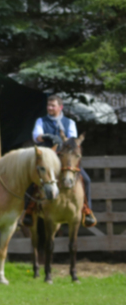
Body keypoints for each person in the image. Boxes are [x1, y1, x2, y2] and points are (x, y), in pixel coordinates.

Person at [24, 94, 96, 227]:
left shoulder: (70, 122)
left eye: (53, 105)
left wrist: (62, 141)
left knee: (86, 180)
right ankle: (28, 210)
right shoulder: (41, 121)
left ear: (60, 107)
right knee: (32, 180)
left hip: (65, 159)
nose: (49, 108)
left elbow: (72, 140)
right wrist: (48, 136)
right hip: (47, 158)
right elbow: (36, 137)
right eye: (48, 105)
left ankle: (87, 210)